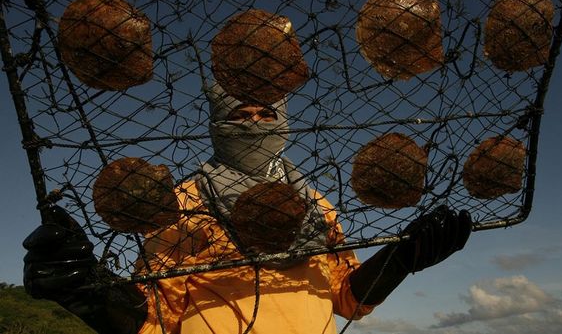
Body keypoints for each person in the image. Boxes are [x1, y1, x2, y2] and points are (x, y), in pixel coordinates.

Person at [23, 82, 472, 334]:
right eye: (241, 114)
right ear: (219, 124)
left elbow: (347, 299)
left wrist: (400, 260)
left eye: (266, 114)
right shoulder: (182, 204)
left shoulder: (315, 205)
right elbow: (157, 316)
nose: (254, 124)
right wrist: (92, 295)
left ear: (284, 123)